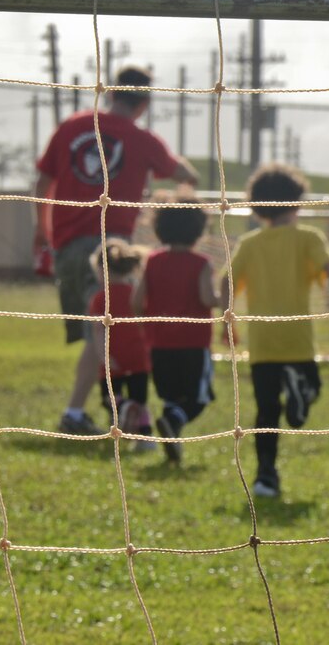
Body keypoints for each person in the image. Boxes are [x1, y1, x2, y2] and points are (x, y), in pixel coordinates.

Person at [34, 65, 199, 435]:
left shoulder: (73, 125)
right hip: (111, 249)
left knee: (99, 330)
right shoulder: (143, 140)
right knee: (107, 330)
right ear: (143, 103)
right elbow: (186, 174)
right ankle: (98, 409)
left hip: (66, 246)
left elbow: (43, 182)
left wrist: (40, 234)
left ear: (110, 93)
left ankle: (102, 407)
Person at [222, 163, 329, 498]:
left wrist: (224, 318)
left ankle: (265, 477)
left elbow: (226, 282)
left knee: (266, 412)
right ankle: (300, 389)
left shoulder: (249, 243)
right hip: (297, 342)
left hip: (261, 344)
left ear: (258, 206)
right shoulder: (308, 238)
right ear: (298, 201)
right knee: (310, 389)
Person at [133, 197, 221, 463]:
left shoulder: (153, 261)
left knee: (171, 396)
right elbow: (207, 299)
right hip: (193, 343)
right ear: (198, 229)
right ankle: (173, 423)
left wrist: (149, 324)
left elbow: (136, 303)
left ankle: (173, 441)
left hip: (159, 345)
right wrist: (223, 298)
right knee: (198, 399)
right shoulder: (201, 263)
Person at [87, 238, 155, 451]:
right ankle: (145, 439)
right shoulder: (137, 295)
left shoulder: (100, 298)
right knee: (141, 400)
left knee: (110, 398)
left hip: (113, 356)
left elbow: (99, 331)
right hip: (139, 356)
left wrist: (103, 356)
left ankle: (125, 409)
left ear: (101, 269)